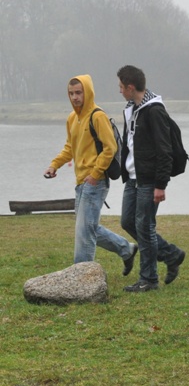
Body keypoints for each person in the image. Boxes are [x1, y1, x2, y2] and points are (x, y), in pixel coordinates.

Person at [44, 75, 138, 272]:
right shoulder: (72, 118)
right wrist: (54, 165)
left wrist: (95, 174)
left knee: (84, 232)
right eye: (71, 93)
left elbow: (110, 148)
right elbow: (70, 148)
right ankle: (126, 249)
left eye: (79, 92)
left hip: (96, 182)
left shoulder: (98, 116)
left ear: (87, 92)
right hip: (81, 182)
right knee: (88, 228)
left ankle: (81, 276)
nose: (75, 97)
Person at [117, 65, 186, 293]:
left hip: (148, 180)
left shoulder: (154, 111)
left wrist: (160, 185)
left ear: (130, 87)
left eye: (121, 87)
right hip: (133, 178)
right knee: (128, 221)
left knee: (144, 227)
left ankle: (148, 279)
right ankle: (171, 254)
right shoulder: (131, 109)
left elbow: (164, 151)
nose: (119, 91)